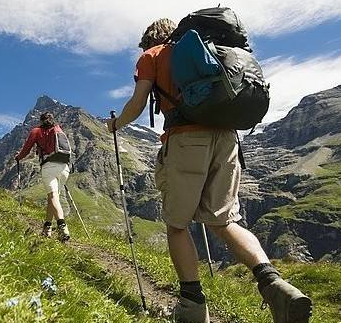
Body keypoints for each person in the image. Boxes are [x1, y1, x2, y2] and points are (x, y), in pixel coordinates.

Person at [106, 18, 312, 323]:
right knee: (224, 220)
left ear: (148, 39)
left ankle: (192, 308)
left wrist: (115, 124)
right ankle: (273, 283)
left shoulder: (153, 55)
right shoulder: (210, 50)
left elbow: (138, 104)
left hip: (187, 139)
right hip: (228, 140)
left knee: (177, 225)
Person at [16, 112, 71, 242]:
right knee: (52, 199)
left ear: (41, 121)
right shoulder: (58, 129)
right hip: (64, 168)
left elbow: (26, 150)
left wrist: (18, 157)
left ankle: (62, 227)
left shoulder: (36, 131)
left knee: (53, 197)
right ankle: (47, 228)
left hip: (49, 167)